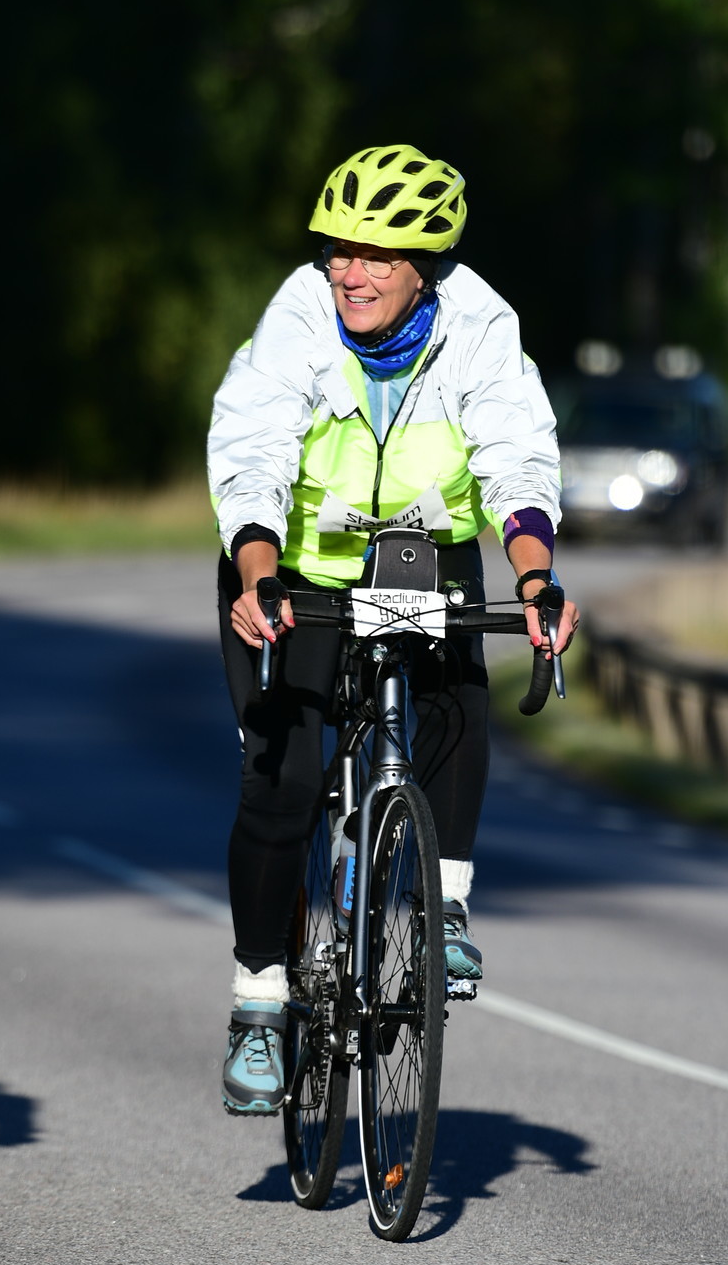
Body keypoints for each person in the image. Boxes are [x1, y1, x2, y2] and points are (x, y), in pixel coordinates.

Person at [208, 143, 578, 1114]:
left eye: (376, 254)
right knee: (284, 775)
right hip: (291, 563)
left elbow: (515, 454)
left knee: (457, 696)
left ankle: (442, 902)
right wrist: (257, 575)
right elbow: (251, 446)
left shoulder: (478, 324)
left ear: (425, 266)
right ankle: (258, 1002)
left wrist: (535, 578)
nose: (350, 272)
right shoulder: (299, 315)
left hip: (422, 553)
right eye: (338, 249)